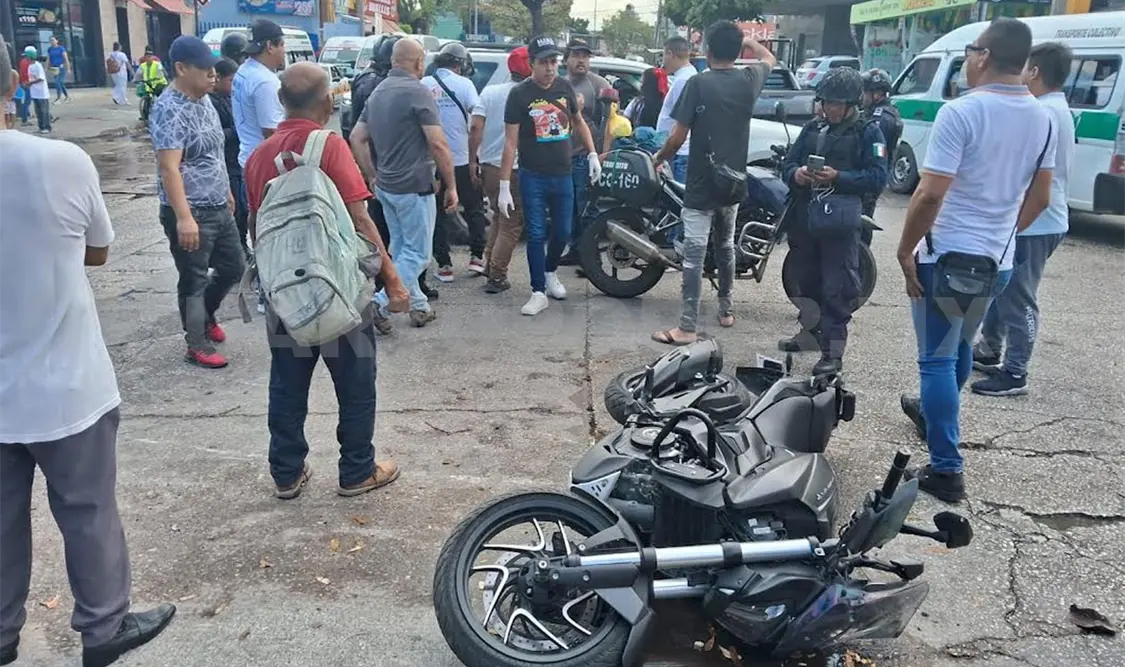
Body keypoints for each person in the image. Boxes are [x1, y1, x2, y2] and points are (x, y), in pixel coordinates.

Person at [0, 37, 177, 667]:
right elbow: (98, 250)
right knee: (88, 511)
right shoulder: (59, 161)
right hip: (65, 385)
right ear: (12, 91)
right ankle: (103, 631)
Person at [897, 18, 1055, 503]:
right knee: (960, 346)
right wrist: (1002, 234)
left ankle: (946, 468)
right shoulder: (1043, 116)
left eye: (970, 51)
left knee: (936, 360)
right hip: (996, 263)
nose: (967, 60)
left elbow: (928, 195)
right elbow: (1041, 197)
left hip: (946, 259)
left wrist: (905, 251)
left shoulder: (961, 113)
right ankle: (935, 415)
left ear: (983, 56)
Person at [245, 62, 408, 500]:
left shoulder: (259, 156)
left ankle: (286, 473)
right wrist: (392, 280)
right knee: (355, 383)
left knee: (287, 384)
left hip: (285, 295)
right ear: (328, 101)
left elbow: (255, 225)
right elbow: (361, 220)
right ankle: (357, 470)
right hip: (339, 291)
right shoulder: (329, 147)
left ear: (281, 102)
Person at [650, 23, 776, 345]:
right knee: (725, 247)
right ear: (737, 52)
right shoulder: (749, 80)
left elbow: (677, 137)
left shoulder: (697, 84)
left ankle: (687, 328)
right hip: (733, 183)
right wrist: (749, 41)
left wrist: (658, 157)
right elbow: (769, 59)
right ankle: (726, 310)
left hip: (702, 183)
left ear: (706, 52)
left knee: (693, 255)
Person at [971, 42, 1074, 398]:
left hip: (1036, 219)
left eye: (1025, 69)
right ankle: (988, 349)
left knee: (1018, 295)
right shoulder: (1053, 108)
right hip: (1040, 216)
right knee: (1004, 287)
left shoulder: (1043, 112)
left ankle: (1015, 371)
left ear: (1035, 72)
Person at [777, 68, 888, 374]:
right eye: (827, 103)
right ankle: (810, 333)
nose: (832, 109)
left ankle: (832, 354)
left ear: (852, 104)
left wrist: (839, 177)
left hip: (839, 223)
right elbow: (787, 164)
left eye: (838, 104)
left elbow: (878, 177)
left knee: (837, 288)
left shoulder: (869, 132)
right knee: (805, 280)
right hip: (805, 220)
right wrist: (796, 174)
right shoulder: (813, 128)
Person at [149, 36, 244, 369]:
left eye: (214, 70)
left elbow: (216, 151)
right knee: (194, 277)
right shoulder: (168, 109)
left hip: (218, 202)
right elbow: (169, 167)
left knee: (235, 266)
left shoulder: (205, 100)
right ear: (181, 68)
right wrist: (184, 217)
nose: (213, 76)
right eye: (205, 70)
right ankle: (196, 341)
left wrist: (227, 191)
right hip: (193, 210)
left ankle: (205, 315)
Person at [349, 38, 457, 329]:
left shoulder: (378, 91)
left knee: (401, 248)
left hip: (386, 186)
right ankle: (378, 305)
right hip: (414, 186)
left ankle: (419, 306)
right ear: (419, 62)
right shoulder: (418, 92)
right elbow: (438, 144)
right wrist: (452, 185)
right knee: (418, 254)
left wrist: (371, 174)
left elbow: (356, 138)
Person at [497, 35, 601, 316]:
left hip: (563, 173)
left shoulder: (564, 87)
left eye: (553, 62)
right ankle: (537, 290)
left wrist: (592, 153)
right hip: (533, 175)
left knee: (564, 231)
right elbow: (510, 141)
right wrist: (504, 184)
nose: (550, 68)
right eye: (544, 62)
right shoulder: (519, 95)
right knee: (536, 233)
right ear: (531, 64)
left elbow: (578, 122)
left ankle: (550, 270)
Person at [423, 42, 490, 281]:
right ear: (459, 64)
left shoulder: (424, 85)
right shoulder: (465, 85)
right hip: (462, 159)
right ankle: (477, 258)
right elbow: (477, 119)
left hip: (433, 163)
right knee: (473, 209)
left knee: (437, 213)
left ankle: (444, 265)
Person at [233, 19, 286, 314]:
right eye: (282, 46)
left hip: (247, 159)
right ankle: (269, 294)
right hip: (265, 167)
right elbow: (272, 134)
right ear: (270, 45)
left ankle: (265, 289)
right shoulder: (266, 82)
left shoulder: (244, 71)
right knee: (274, 231)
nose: (284, 53)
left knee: (259, 228)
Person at [471, 46, 530, 294]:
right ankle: (497, 275)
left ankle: (488, 263)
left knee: (498, 215)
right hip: (513, 169)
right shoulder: (528, 95)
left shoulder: (490, 92)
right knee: (511, 223)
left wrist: (474, 160)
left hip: (488, 167)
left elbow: (475, 127)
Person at [557, 39, 610, 266]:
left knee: (587, 208)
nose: (581, 60)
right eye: (577, 55)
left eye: (585, 56)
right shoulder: (559, 84)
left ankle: (591, 257)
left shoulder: (598, 84)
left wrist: (602, 153)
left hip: (587, 158)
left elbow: (611, 121)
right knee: (568, 208)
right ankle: (576, 249)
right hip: (562, 157)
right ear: (567, 58)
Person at [209, 58, 249, 259]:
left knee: (243, 210)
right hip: (225, 163)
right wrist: (236, 131)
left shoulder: (233, 99)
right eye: (230, 81)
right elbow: (214, 135)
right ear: (218, 79)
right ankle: (234, 251)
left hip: (237, 161)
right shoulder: (211, 103)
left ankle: (241, 246)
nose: (233, 86)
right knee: (235, 211)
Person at [860, 68, 901, 235]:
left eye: (865, 92)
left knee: (861, 221)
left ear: (877, 94)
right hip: (873, 175)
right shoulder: (877, 113)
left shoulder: (881, 119)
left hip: (870, 177)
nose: (861, 96)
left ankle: (860, 259)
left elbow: (870, 149)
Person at [656, 36, 695, 184]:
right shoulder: (687, 76)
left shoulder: (683, 80)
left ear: (670, 54)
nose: (663, 61)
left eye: (664, 55)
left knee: (676, 200)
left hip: (678, 153)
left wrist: (662, 156)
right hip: (677, 152)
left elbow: (682, 121)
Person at [138, 45, 167, 122]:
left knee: (160, 98)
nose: (148, 58)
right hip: (149, 84)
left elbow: (162, 71)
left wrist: (159, 76)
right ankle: (145, 116)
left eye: (150, 56)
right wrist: (136, 79)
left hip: (159, 83)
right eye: (147, 56)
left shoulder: (157, 63)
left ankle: (163, 113)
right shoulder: (143, 65)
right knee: (147, 98)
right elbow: (138, 73)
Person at [27, 50, 51, 134]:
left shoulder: (38, 65)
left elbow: (41, 78)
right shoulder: (30, 66)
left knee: (44, 110)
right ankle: (41, 127)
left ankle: (47, 127)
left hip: (42, 92)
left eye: (27, 56)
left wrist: (31, 83)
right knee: (38, 111)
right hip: (34, 92)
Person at [47, 36, 69, 103]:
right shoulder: (50, 49)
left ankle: (58, 98)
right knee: (60, 83)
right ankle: (67, 96)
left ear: (57, 41)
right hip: (54, 68)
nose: (52, 42)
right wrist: (47, 66)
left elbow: (66, 59)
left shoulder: (61, 49)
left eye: (53, 40)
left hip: (61, 67)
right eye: (51, 40)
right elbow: (48, 59)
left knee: (57, 82)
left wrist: (68, 68)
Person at [16, 46, 32, 125]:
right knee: (27, 101)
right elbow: (27, 74)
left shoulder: (23, 61)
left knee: (26, 101)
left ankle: (26, 117)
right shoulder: (27, 62)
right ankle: (24, 119)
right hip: (27, 83)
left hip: (24, 83)